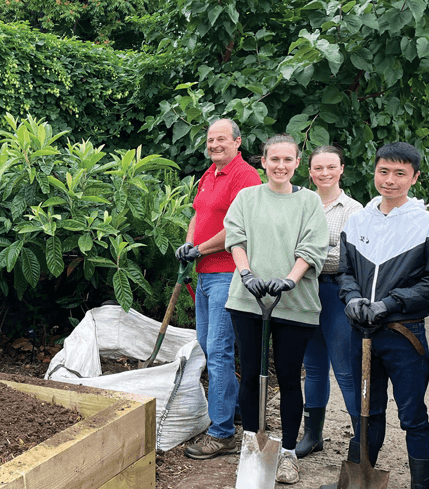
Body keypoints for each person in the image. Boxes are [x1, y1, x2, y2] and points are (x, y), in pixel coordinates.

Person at [336, 142, 429, 489]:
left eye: (400, 173)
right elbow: (344, 272)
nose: (390, 180)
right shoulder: (356, 222)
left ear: (414, 177)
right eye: (383, 171)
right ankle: (361, 478)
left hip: (405, 334)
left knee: (413, 416)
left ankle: (422, 485)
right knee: (366, 412)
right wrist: (352, 298)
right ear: (375, 172)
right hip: (362, 333)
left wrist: (390, 304)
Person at [223, 134, 328, 484]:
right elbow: (235, 237)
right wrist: (246, 273)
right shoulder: (246, 197)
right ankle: (252, 443)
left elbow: (313, 247)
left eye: (288, 160)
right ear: (263, 162)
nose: (280, 166)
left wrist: (290, 279)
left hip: (294, 302)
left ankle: (286, 454)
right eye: (274, 159)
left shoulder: (309, 202)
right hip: (247, 299)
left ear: (297, 164)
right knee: (250, 373)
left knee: (288, 376)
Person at [174, 118, 262, 459]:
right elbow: (198, 214)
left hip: (229, 274)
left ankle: (222, 433)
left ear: (238, 142)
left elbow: (239, 228)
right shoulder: (208, 175)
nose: (214, 145)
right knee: (210, 349)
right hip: (205, 273)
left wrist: (202, 248)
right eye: (211, 140)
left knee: (220, 351)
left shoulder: (245, 176)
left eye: (222, 139)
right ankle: (235, 408)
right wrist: (188, 244)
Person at [295, 145, 362, 458]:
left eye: (330, 167)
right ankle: (312, 434)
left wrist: (305, 257)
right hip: (305, 293)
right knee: (314, 366)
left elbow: (346, 258)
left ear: (341, 169)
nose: (324, 173)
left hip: (337, 294)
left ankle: (361, 441)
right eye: (318, 168)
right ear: (309, 171)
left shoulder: (353, 209)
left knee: (345, 368)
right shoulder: (301, 205)